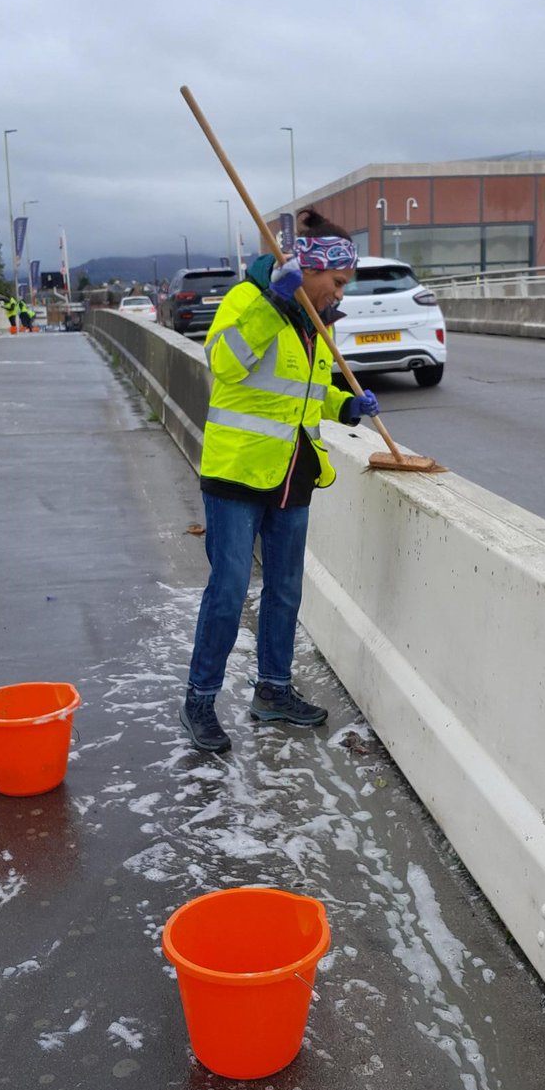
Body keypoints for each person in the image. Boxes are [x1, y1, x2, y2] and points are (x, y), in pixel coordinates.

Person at [179, 207, 379, 753]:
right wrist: (271, 305)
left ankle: (272, 691)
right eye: (335, 283)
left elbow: (299, 397)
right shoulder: (249, 300)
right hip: (239, 473)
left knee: (286, 591)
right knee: (228, 590)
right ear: (307, 270)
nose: (339, 294)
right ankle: (199, 701)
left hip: (294, 473)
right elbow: (224, 363)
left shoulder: (316, 324)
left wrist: (346, 406)